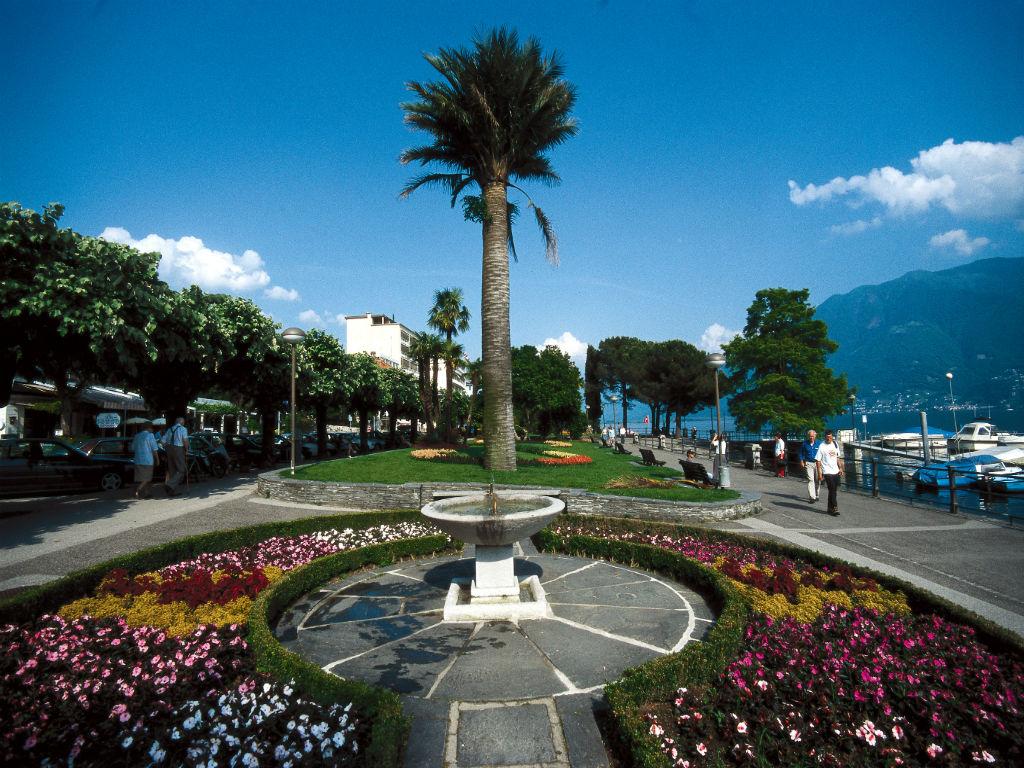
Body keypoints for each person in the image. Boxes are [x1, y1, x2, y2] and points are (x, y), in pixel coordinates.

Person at [815, 429, 844, 515]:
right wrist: (820, 474)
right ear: (825, 437)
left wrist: (841, 468)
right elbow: (818, 461)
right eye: (827, 438)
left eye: (830, 437)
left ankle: (829, 508)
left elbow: (837, 458)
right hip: (827, 471)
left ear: (832, 437)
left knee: (833, 490)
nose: (829, 439)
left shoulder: (835, 444)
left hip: (835, 470)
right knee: (832, 489)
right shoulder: (822, 446)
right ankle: (835, 507)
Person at [161, 415, 189, 496]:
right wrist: (187, 449)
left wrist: (166, 447)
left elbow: (162, 441)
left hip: (169, 449)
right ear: (181, 422)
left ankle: (172, 491)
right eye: (183, 422)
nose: (184, 423)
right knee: (182, 469)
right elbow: (185, 440)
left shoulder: (169, 429)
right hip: (178, 448)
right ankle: (169, 484)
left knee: (172, 470)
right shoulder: (183, 429)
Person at [131, 422, 160, 499]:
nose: (152, 429)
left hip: (137, 459)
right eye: (152, 428)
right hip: (147, 460)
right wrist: (157, 459)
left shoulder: (137, 436)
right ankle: (137, 490)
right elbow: (154, 449)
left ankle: (147, 493)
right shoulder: (150, 435)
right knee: (147, 478)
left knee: (142, 478)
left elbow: (132, 448)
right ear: (148, 428)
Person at [799, 429, 821, 503]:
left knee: (818, 479)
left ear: (815, 436)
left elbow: (823, 453)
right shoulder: (805, 443)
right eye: (810, 436)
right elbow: (801, 453)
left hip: (817, 463)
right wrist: (801, 461)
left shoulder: (819, 443)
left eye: (812, 436)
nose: (811, 437)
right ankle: (812, 497)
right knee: (810, 479)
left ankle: (817, 494)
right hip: (808, 463)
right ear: (808, 436)